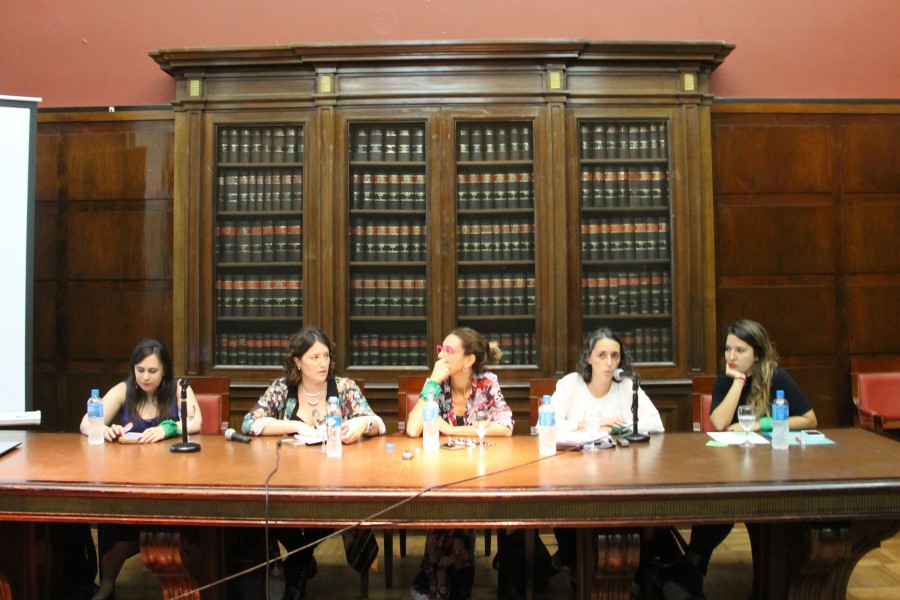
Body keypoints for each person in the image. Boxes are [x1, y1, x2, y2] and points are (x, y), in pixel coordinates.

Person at [659, 319, 817, 600]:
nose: (731, 357)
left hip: (772, 466)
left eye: (740, 350)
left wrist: (762, 424)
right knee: (718, 506)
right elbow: (719, 423)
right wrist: (738, 382)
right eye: (728, 350)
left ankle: (690, 568)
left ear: (757, 353)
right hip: (732, 467)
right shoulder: (725, 381)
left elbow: (809, 418)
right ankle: (691, 567)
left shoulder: (777, 377)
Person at [241, 326, 385, 599]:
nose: (323, 364)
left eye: (326, 356)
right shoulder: (283, 389)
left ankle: (297, 564)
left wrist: (361, 422)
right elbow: (249, 423)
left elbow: (378, 423)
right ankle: (302, 559)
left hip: (336, 479)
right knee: (266, 508)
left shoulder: (344, 387)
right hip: (290, 477)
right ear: (297, 361)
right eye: (314, 357)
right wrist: (293, 425)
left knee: (335, 508)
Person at [79, 339, 202, 600]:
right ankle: (108, 583)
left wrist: (166, 428)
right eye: (140, 370)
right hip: (130, 480)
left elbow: (195, 421)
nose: (145, 377)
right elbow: (86, 423)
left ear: (165, 371)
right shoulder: (125, 390)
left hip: (171, 481)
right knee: (114, 518)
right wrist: (104, 428)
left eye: (152, 371)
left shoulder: (180, 388)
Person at [549, 327, 665, 586]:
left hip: (620, 475)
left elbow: (655, 423)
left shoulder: (626, 386)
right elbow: (548, 424)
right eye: (602, 355)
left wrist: (621, 427)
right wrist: (593, 424)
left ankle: (620, 570)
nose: (609, 363)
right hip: (574, 477)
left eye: (615, 355)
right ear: (588, 357)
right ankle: (576, 562)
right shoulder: (570, 384)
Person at [406, 327, 514, 600]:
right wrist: (431, 381)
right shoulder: (438, 383)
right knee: (447, 506)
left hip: (480, 470)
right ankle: (454, 580)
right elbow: (412, 429)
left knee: (460, 506)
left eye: (450, 351)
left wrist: (452, 430)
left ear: (469, 360)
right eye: (441, 349)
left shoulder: (487, 383)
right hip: (439, 469)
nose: (442, 355)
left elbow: (505, 427)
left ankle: (435, 578)